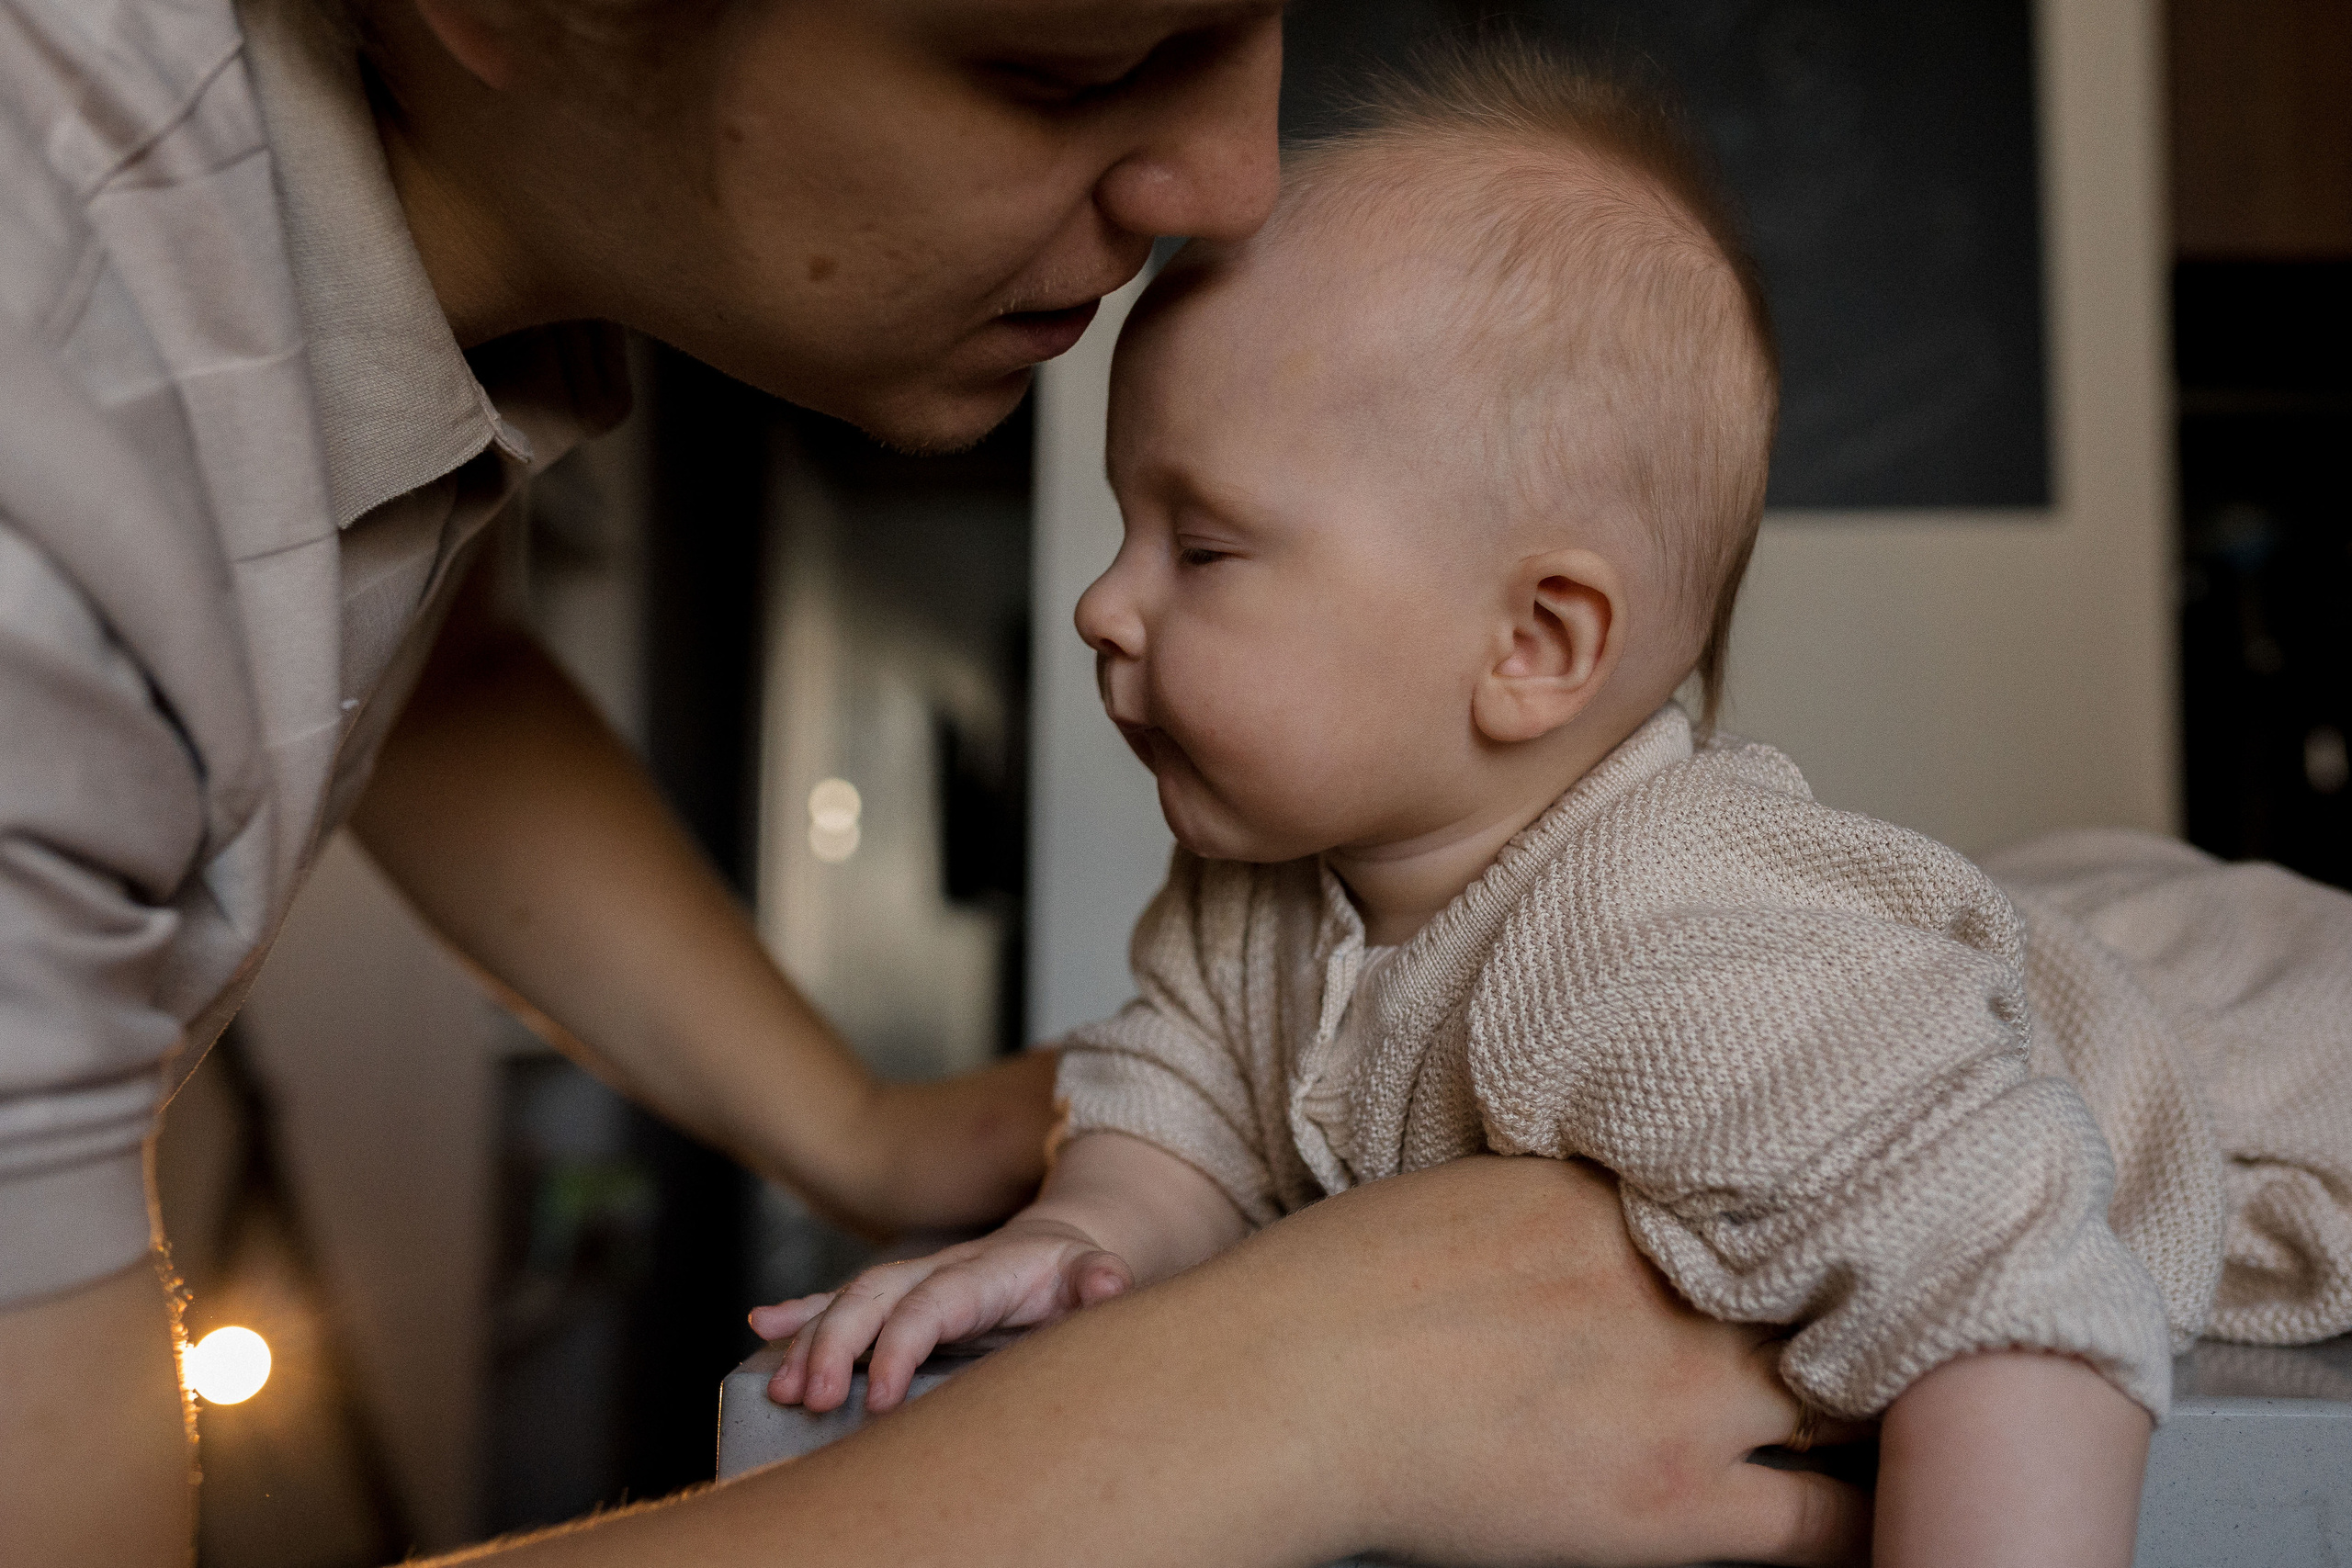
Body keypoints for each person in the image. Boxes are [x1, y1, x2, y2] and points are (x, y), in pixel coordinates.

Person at [0, 2, 1874, 1564]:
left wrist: (857, 1129)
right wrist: (1266, 1402)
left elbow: (429, 665)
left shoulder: (436, 273)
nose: (1226, 179)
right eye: (1061, 67)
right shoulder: (44, 443)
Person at [758, 45, 2352, 1568]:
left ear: (1533, 645)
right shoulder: (1256, 901)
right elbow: (1177, 1108)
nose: (1106, 606)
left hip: (2281, 1097)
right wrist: (1075, 1232)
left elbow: (2014, 1286)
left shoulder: (1669, 951)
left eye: (1205, 549)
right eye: (1125, 528)